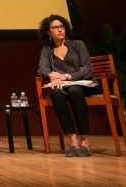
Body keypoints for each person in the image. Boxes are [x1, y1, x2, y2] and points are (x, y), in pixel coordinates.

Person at [37, 14, 100, 157]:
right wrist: (52, 76)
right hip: (64, 86)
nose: (60, 30)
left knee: (75, 90)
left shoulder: (78, 45)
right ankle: (73, 141)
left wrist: (66, 76)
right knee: (56, 93)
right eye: (55, 27)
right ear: (48, 32)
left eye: (61, 26)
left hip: (86, 85)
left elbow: (88, 69)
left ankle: (84, 140)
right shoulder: (47, 49)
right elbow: (42, 69)